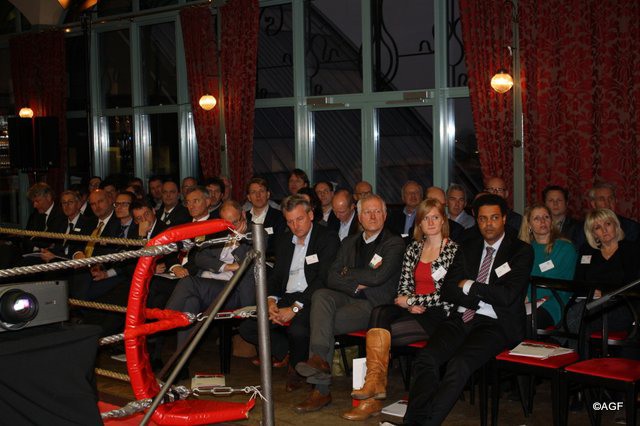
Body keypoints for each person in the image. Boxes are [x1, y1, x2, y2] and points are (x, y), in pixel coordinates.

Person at [404, 194, 533, 425]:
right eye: (483, 219)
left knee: (458, 364)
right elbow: (448, 289)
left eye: (494, 218)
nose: (488, 224)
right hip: (461, 317)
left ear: (504, 218)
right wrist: (480, 296)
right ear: (476, 220)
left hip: (495, 324)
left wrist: (470, 285)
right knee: (426, 359)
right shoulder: (468, 247)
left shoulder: (520, 251)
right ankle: (412, 422)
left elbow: (507, 296)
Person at [342, 199, 459, 421]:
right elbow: (404, 284)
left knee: (379, 334)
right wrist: (410, 303)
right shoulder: (414, 248)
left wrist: (411, 300)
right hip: (412, 309)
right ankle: (374, 383)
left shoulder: (453, 250)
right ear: (419, 223)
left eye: (435, 217)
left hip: (438, 314)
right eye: (425, 218)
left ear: (443, 220)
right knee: (380, 312)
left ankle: (373, 392)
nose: (431, 222)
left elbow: (446, 294)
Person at [293, 194, 405, 413]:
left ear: (385, 215)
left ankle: (320, 390)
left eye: (377, 211)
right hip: (349, 295)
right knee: (321, 295)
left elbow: (378, 277)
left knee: (321, 323)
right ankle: (319, 359)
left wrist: (348, 272)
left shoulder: (394, 242)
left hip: (374, 305)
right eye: (367, 212)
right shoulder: (349, 242)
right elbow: (331, 276)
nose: (373, 216)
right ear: (359, 217)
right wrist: (355, 285)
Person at [239, 195, 340, 392]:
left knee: (298, 330)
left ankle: (296, 368)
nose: (296, 226)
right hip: (287, 296)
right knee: (248, 327)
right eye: (290, 221)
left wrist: (294, 308)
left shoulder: (327, 238)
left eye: (299, 219)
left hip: (313, 298)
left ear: (311, 215)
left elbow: (323, 279)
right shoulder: (285, 240)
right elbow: (277, 276)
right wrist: (271, 300)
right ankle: (291, 352)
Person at [165, 200, 256, 352]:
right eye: (227, 224)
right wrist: (226, 266)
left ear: (243, 214)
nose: (232, 228)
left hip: (233, 291)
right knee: (190, 303)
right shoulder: (220, 231)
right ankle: (181, 357)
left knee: (188, 283)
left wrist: (240, 238)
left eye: (235, 222)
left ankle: (163, 322)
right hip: (208, 284)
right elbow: (200, 257)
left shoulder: (256, 233)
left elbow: (247, 260)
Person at [567, 208, 639, 356]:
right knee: (577, 315)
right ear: (594, 234)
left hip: (622, 306)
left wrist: (605, 293)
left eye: (608, 224)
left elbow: (633, 284)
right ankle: (579, 361)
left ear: (616, 225)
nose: (604, 230)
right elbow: (578, 284)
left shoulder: (631, 249)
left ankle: (574, 360)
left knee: (578, 318)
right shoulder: (587, 251)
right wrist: (592, 292)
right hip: (591, 303)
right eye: (597, 227)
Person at [518, 204, 577, 329]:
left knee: (522, 324)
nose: (543, 221)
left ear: (551, 221)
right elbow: (518, 278)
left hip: (553, 302)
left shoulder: (565, 248)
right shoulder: (525, 250)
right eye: (537, 218)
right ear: (529, 225)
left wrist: (526, 296)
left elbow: (555, 281)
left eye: (546, 217)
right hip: (526, 302)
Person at [245, 177, 285, 257]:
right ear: (249, 197)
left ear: (268, 194)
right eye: (253, 192)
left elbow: (279, 245)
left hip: (269, 260)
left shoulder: (279, 216)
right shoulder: (243, 217)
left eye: (261, 191)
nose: (258, 195)